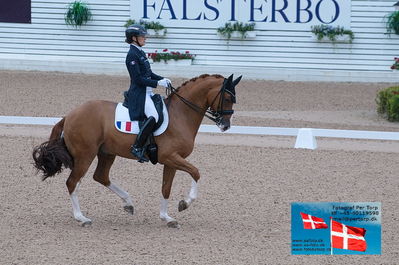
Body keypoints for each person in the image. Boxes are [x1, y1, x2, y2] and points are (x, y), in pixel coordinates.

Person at [124, 24, 171, 162]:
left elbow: (148, 73)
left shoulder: (140, 52)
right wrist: (157, 84)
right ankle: (137, 147)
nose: (145, 39)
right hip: (139, 93)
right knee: (154, 116)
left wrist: (162, 79)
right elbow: (138, 79)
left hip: (147, 92)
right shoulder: (132, 55)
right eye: (142, 36)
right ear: (134, 38)